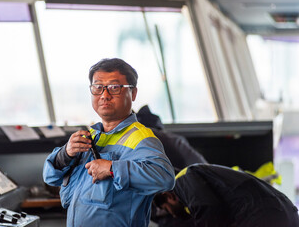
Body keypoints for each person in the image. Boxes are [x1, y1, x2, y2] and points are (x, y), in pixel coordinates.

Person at [43, 58, 175, 227]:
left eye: (114, 88)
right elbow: (49, 177)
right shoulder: (90, 136)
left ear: (133, 93)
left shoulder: (141, 138)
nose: (105, 95)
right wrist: (65, 155)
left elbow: (165, 178)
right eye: (98, 87)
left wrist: (112, 168)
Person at [153, 163, 299, 227]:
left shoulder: (183, 179)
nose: (172, 215)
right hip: (285, 213)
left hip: (263, 217)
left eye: (167, 208)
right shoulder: (200, 175)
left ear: (169, 196)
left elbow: (210, 211)